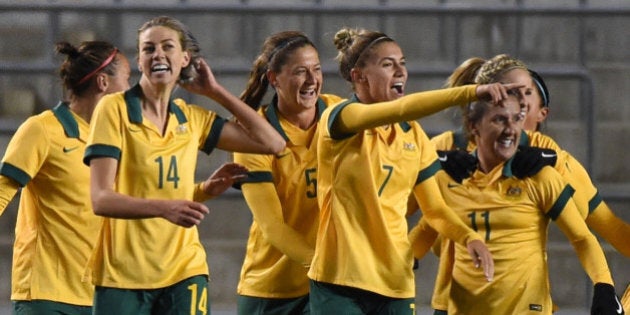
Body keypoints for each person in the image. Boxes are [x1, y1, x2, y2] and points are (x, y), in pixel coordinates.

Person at [306, 27, 525, 315]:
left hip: (395, 282)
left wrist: (468, 237)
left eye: (403, 63)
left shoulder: (414, 136)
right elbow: (401, 110)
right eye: (388, 64)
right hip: (339, 282)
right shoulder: (340, 119)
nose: (400, 71)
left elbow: (434, 209)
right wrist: (471, 92)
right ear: (359, 76)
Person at [82, 16, 285, 315]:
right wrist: (166, 209)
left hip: (184, 269)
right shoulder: (114, 110)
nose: (158, 54)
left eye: (167, 47)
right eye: (149, 49)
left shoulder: (190, 118)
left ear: (184, 58)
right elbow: (101, 199)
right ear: (139, 60)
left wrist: (215, 91)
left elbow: (274, 144)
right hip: (123, 274)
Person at [412, 54, 630, 314]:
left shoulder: (545, 156)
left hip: (525, 302)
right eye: (516, 91)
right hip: (458, 299)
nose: (523, 100)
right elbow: (410, 214)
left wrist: (603, 285)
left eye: (528, 92)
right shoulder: (445, 150)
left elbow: (599, 226)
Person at [0, 41, 129, 315]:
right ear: (103, 83)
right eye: (127, 80)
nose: (129, 91)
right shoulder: (42, 130)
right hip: (47, 296)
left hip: (103, 296)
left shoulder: (116, 139)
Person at [233, 30, 343, 315]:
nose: (312, 80)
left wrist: (441, 158)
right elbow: (272, 226)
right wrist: (322, 264)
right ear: (273, 79)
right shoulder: (254, 134)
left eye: (317, 70)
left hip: (325, 287)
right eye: (300, 72)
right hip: (271, 289)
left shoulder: (338, 114)